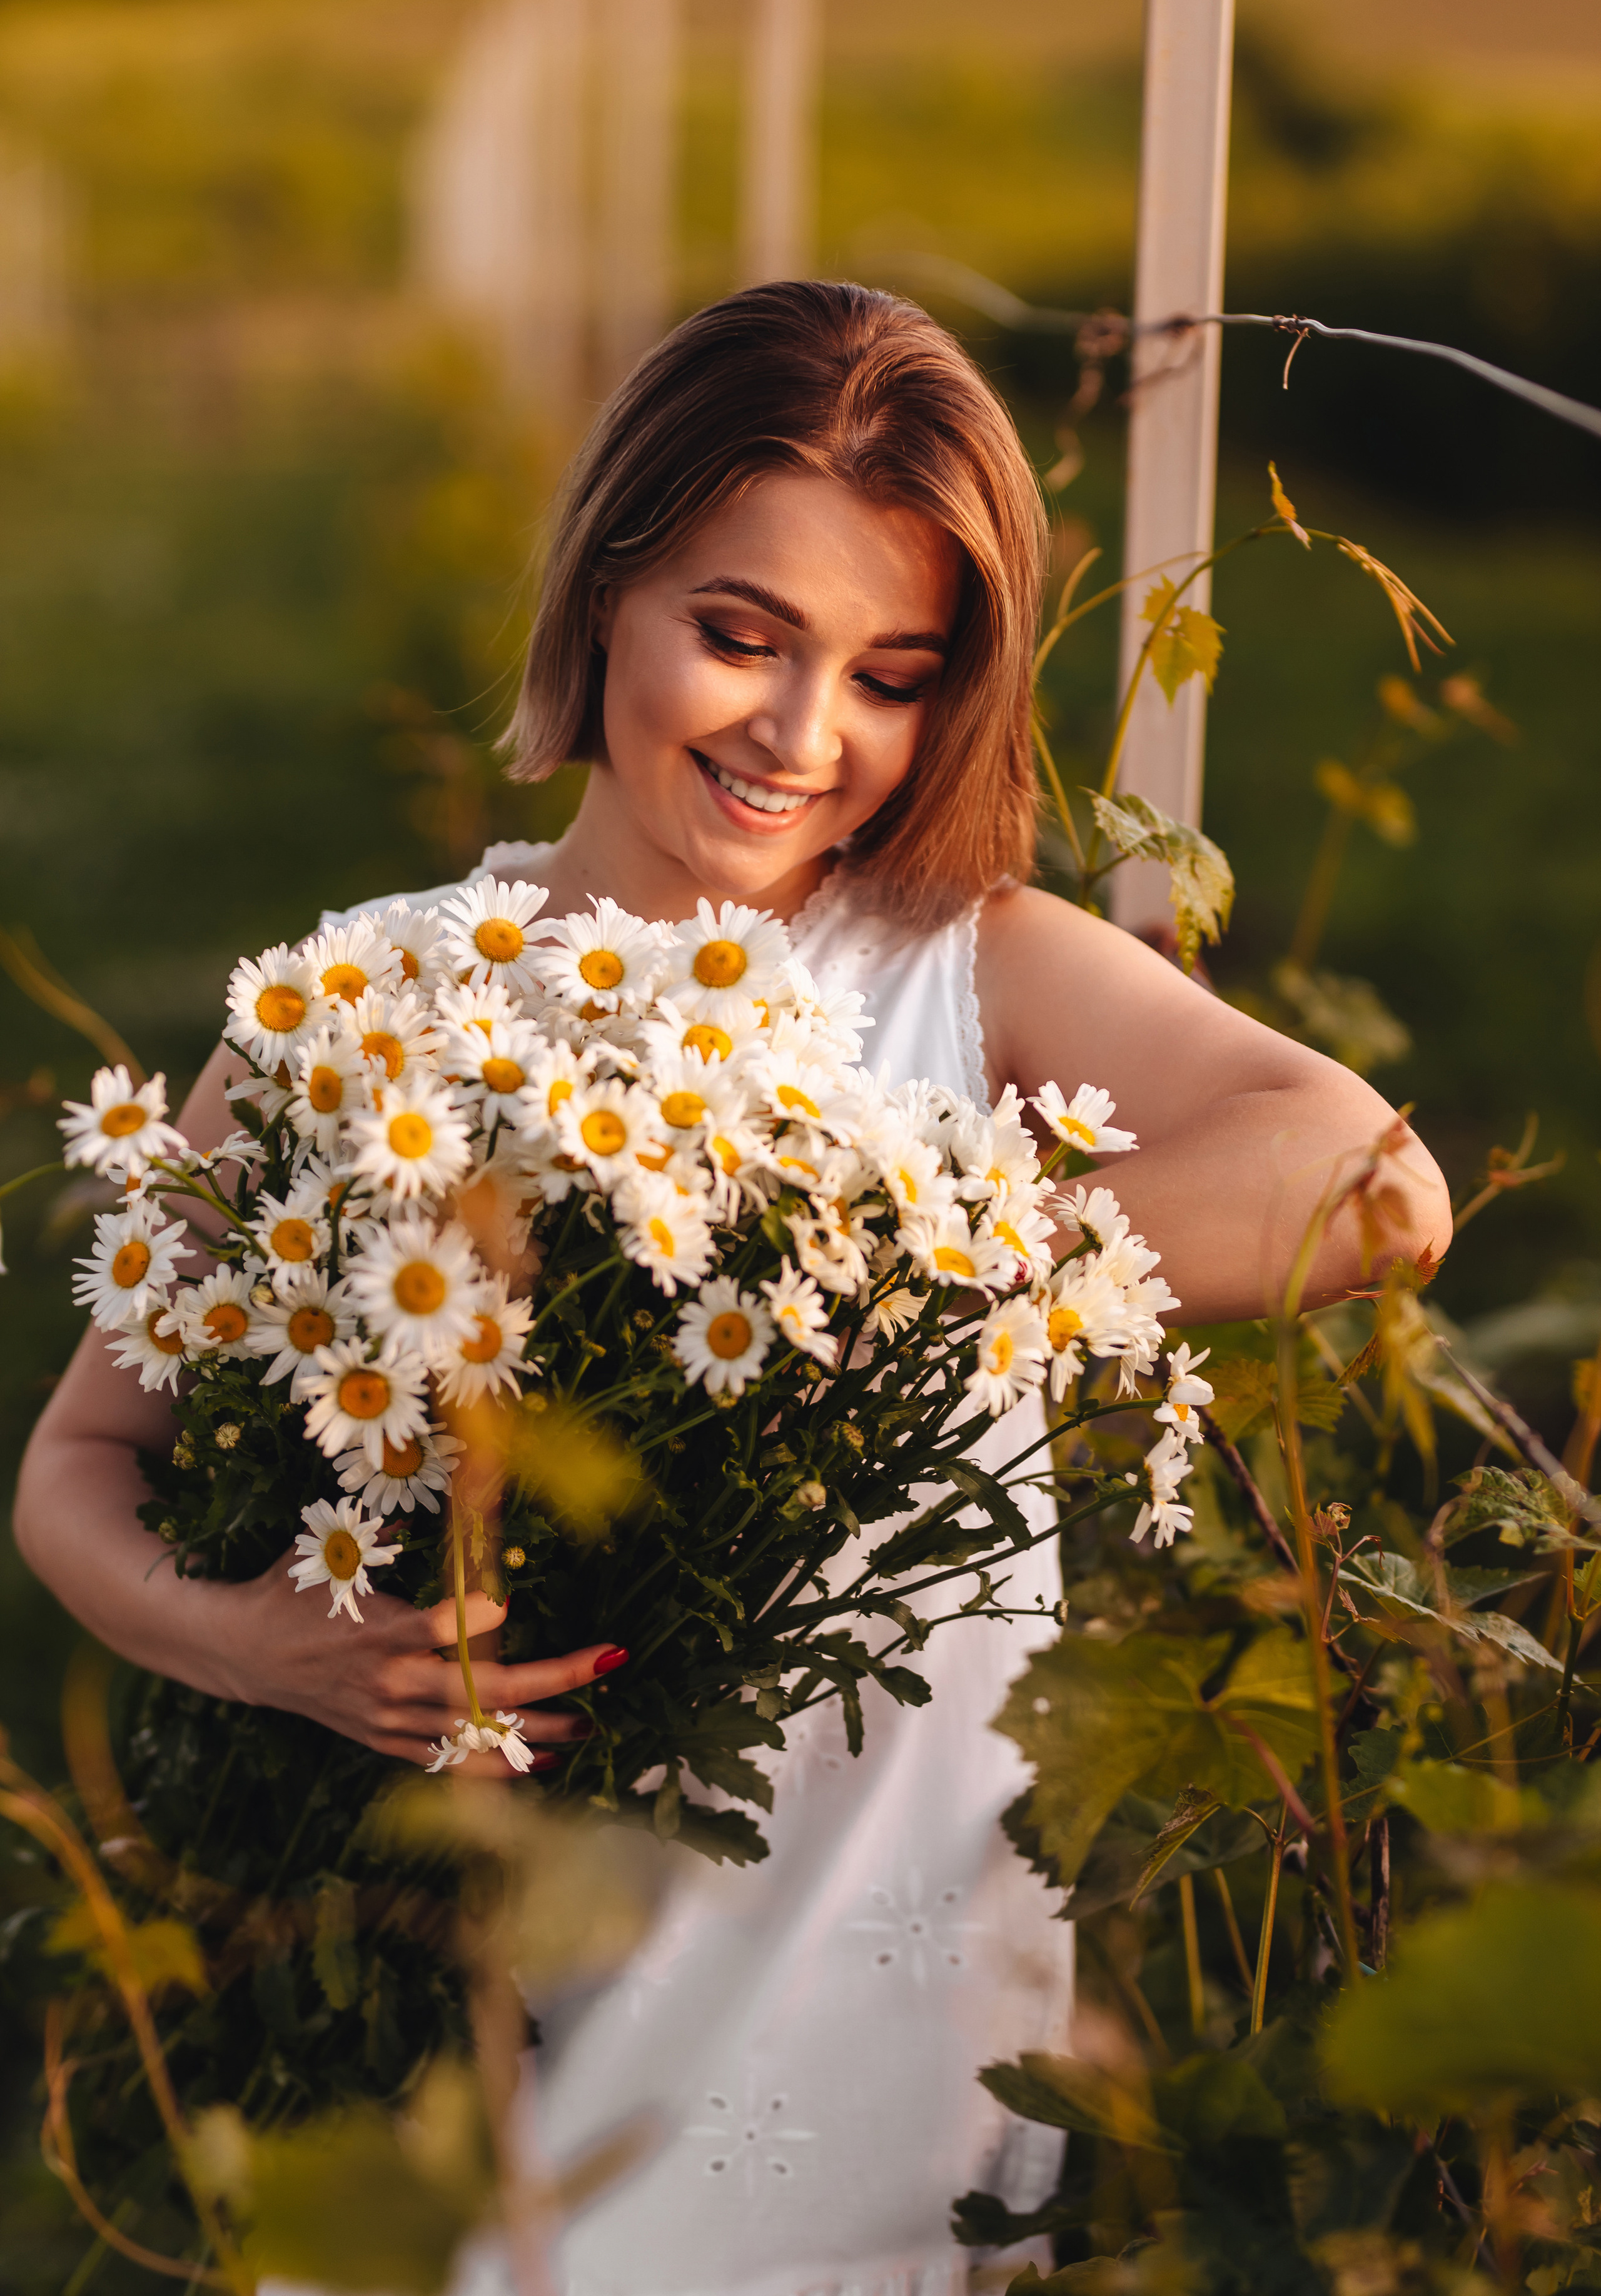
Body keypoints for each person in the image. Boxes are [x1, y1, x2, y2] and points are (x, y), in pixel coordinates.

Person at [16, 282, 1451, 2296]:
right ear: (609, 586)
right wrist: (267, 1645)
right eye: (741, 634)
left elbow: (1375, 1186)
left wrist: (887, 1258)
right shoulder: (373, 1002)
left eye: (893, 671)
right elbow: (78, 1462)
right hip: (509, 1990)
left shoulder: (965, 965)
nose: (803, 737)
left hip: (902, 2001)